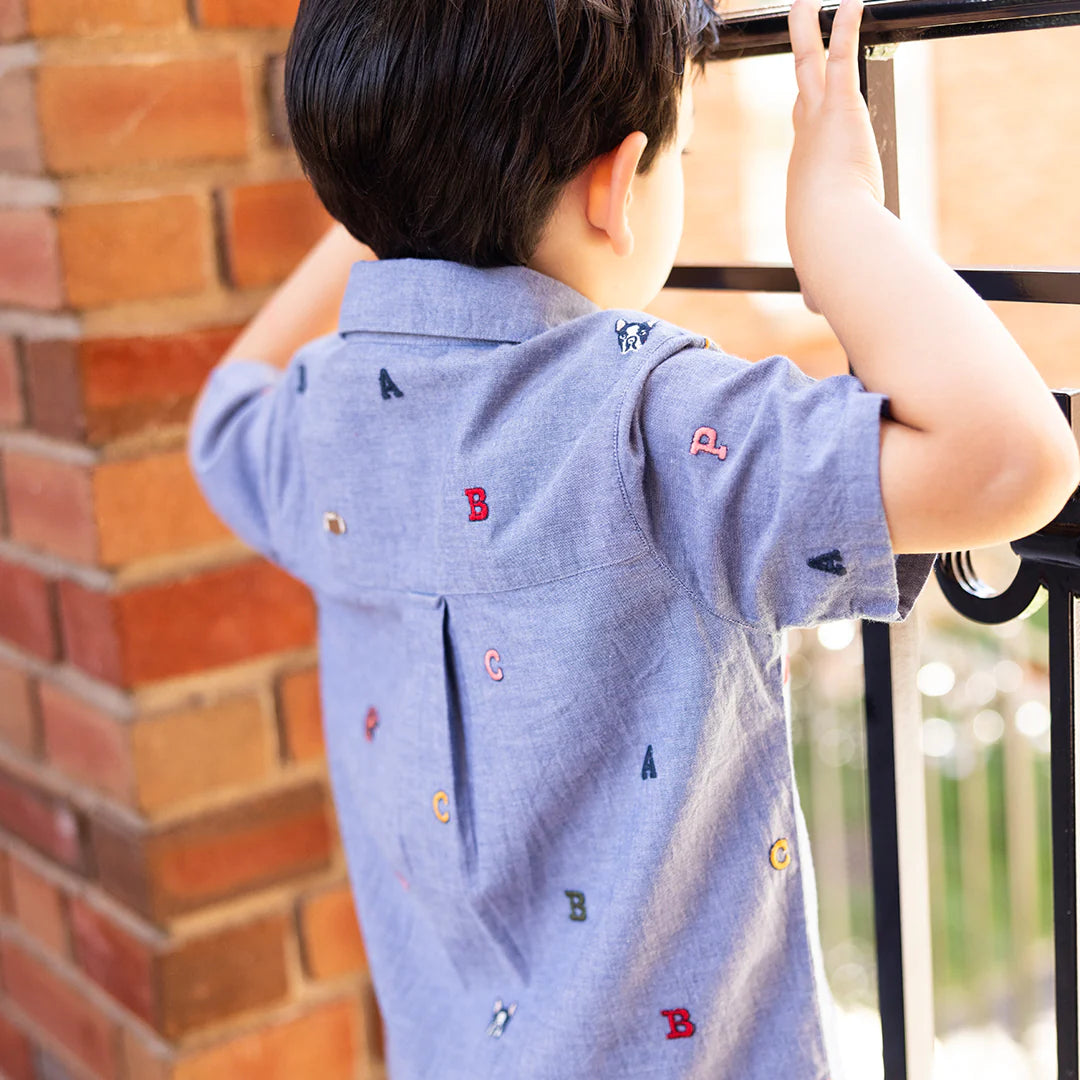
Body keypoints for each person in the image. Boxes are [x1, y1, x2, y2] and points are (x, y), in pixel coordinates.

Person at [187, 0, 1080, 1076]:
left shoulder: (322, 419)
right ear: (618, 186)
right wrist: (835, 216)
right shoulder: (652, 421)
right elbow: (1015, 462)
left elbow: (219, 417)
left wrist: (390, 222)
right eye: (686, 154)